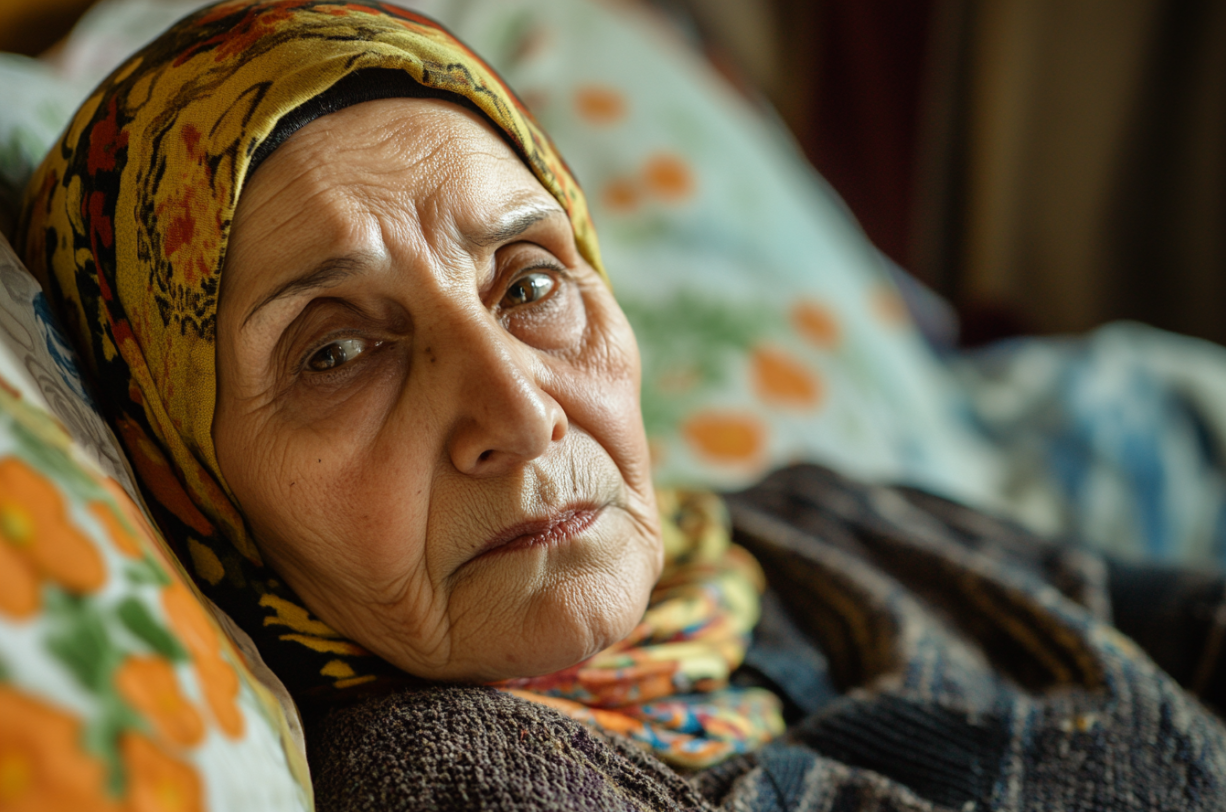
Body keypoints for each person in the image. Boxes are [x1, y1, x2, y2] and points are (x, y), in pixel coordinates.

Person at [18, 1, 1226, 809]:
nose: (520, 410)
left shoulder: (809, 525)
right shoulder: (459, 778)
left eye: (530, 281)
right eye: (337, 353)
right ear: (190, 479)